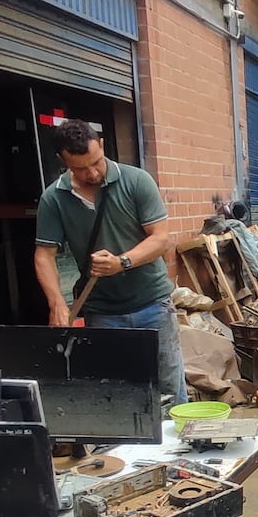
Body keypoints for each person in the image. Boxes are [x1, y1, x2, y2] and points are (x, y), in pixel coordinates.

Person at [33, 119, 187, 404]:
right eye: (80, 168)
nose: (92, 173)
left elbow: (161, 238)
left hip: (152, 304)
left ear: (102, 145)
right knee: (115, 390)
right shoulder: (53, 199)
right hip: (102, 312)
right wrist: (56, 302)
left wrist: (122, 262)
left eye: (96, 162)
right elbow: (44, 255)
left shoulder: (136, 181)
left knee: (168, 387)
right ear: (62, 161)